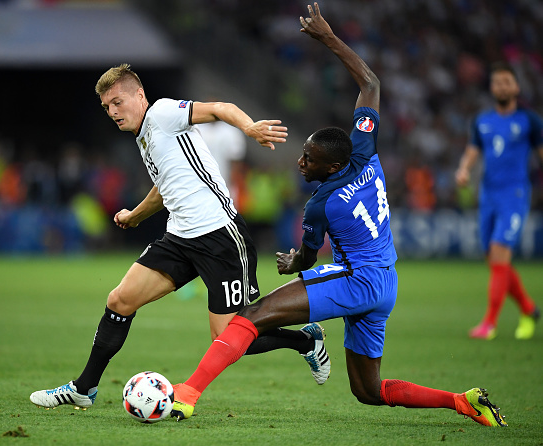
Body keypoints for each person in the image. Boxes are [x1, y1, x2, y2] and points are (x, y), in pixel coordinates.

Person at [170, 3, 507, 428]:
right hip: (386, 281)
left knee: (250, 317)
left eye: (308, 159)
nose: (301, 164)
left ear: (330, 168)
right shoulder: (364, 152)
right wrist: (329, 38)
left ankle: (187, 393)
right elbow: (370, 82)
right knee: (368, 391)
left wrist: (295, 263)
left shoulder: (322, 204)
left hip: (355, 278)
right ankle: (463, 401)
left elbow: (309, 259)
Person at [30, 63, 332, 409]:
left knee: (229, 337)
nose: (113, 112)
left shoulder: (160, 113)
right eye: (106, 107)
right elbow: (164, 188)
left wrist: (249, 128)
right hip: (180, 237)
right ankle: (83, 389)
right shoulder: (144, 134)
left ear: (139, 95)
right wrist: (135, 215)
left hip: (220, 236)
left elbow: (221, 108)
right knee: (119, 301)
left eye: (117, 102)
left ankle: (305, 342)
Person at [456, 62, 543, 340]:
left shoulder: (529, 121)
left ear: (516, 87)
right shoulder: (482, 121)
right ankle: (529, 309)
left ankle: (489, 324)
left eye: (507, 82)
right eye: (497, 83)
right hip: (488, 195)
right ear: (492, 88)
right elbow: (473, 150)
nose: (502, 87)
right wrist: (464, 169)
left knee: (499, 252)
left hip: (515, 195)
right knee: (495, 260)